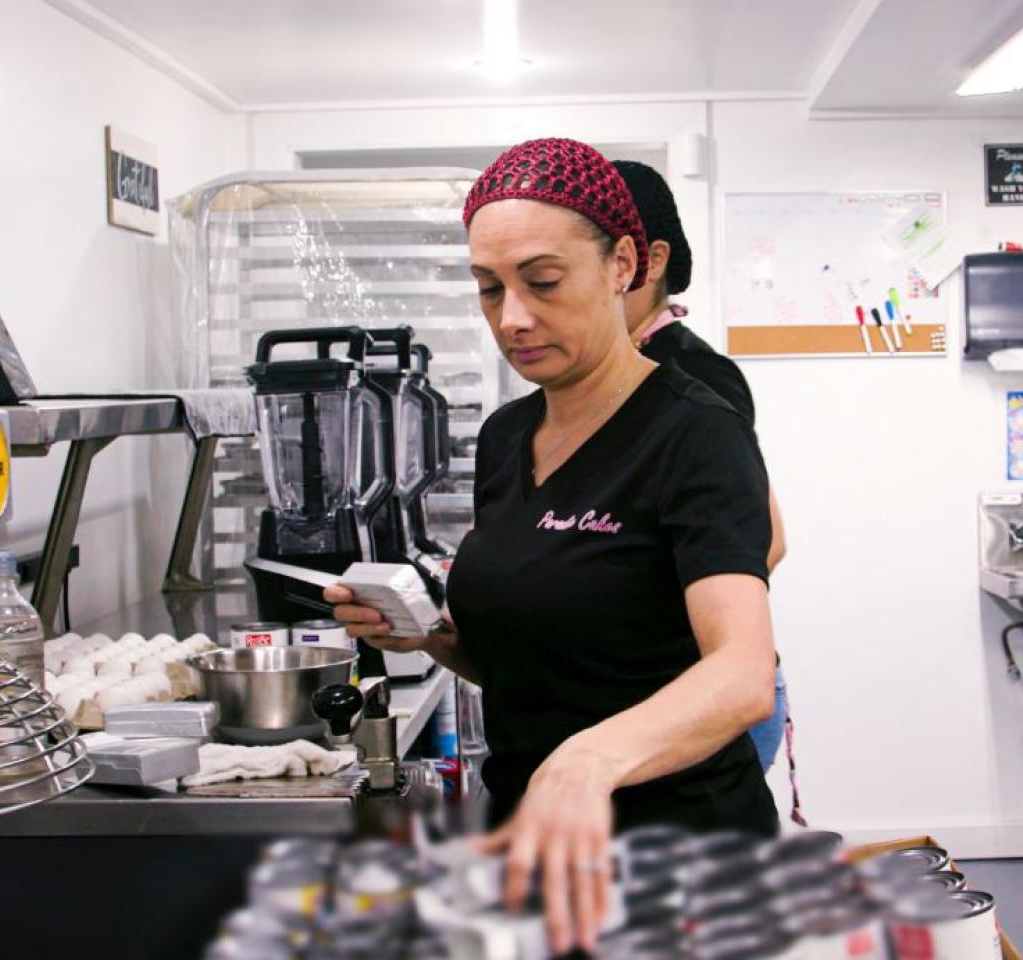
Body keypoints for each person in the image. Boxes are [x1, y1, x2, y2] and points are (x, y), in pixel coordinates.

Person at [324, 139, 777, 955]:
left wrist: (590, 759)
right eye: (489, 289)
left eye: (542, 282)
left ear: (624, 266)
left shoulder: (695, 431)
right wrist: (425, 635)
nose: (513, 318)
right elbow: (535, 658)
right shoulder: (506, 438)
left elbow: (741, 676)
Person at [613, 159, 790, 772]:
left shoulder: (694, 375)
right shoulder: (611, 378)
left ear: (648, 262)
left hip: (698, 698)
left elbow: (767, 541)